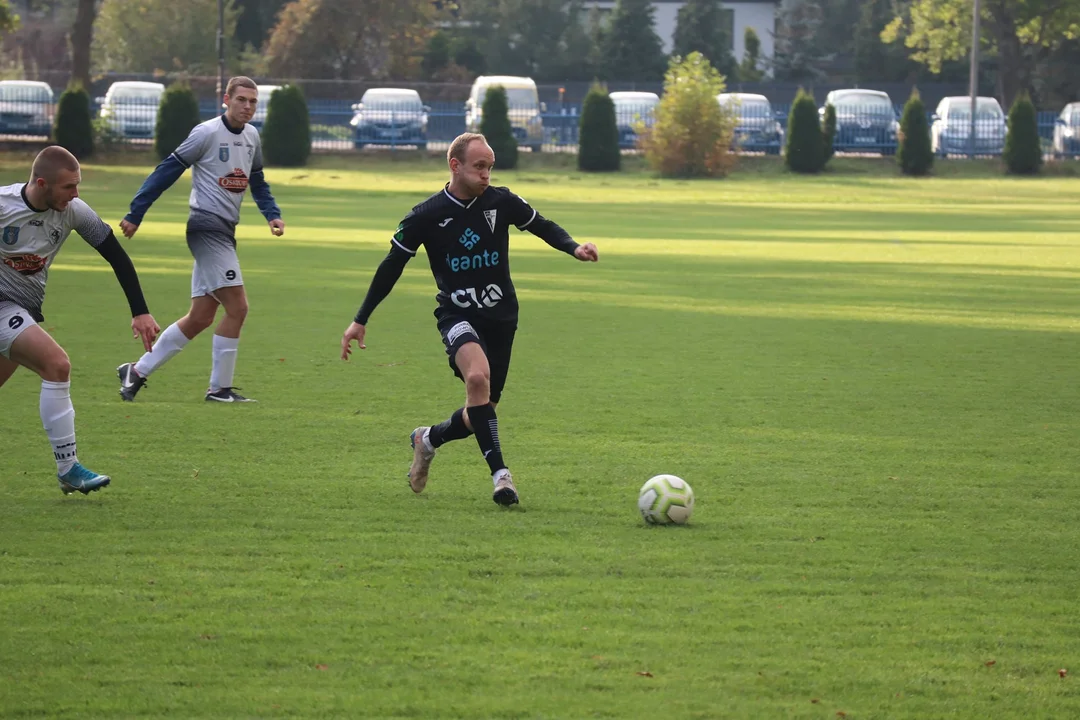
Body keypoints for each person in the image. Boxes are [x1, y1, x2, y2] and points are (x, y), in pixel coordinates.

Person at [340, 132, 599, 506]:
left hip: (502, 317)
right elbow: (391, 265)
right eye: (479, 167)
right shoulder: (425, 215)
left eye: (490, 167)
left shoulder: (501, 201)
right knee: (477, 378)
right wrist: (360, 318)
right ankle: (502, 477)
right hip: (457, 313)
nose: (486, 175)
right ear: (455, 166)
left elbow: (541, 224)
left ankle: (427, 439)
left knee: (481, 412)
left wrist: (574, 247)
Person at [0, 146, 159, 494]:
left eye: (77, 185)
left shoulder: (73, 212)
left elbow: (116, 255)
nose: (75, 194)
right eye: (68, 187)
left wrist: (140, 310)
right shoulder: (3, 206)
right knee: (57, 365)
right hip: (4, 307)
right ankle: (68, 468)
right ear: (42, 184)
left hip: (21, 310)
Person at [116, 76, 284, 403]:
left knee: (201, 317)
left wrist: (272, 214)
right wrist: (136, 212)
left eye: (253, 101)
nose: (248, 106)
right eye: (241, 100)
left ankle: (136, 371)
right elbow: (167, 170)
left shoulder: (252, 136)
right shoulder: (206, 133)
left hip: (225, 231)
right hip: (206, 228)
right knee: (238, 307)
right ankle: (219, 389)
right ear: (226, 99)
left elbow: (258, 181)